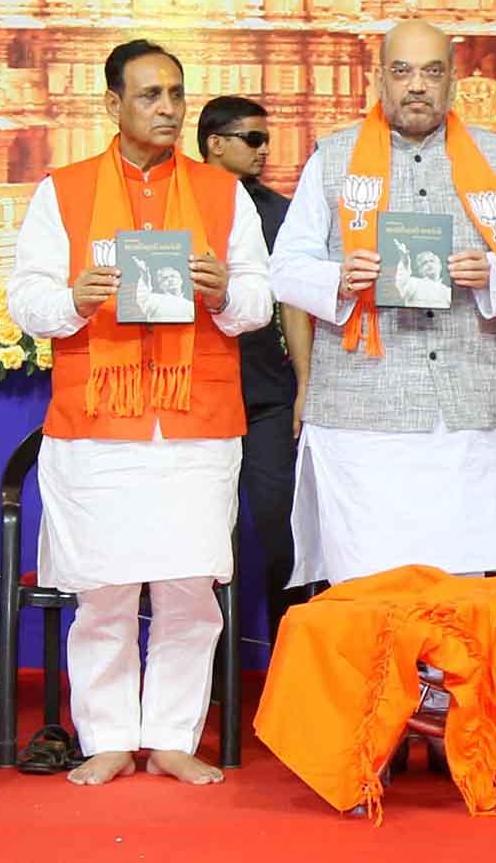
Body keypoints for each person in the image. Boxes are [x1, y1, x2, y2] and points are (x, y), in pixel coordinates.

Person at [7, 41, 273, 786]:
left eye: (175, 94)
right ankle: (109, 737)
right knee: (104, 591)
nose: (165, 108)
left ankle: (171, 737)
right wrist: (76, 299)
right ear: (112, 104)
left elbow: (259, 302)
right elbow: (28, 301)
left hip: (197, 420)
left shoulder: (223, 194)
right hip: (98, 423)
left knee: (191, 590)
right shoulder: (64, 191)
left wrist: (223, 292)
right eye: (149, 94)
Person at [274, 20, 496, 587]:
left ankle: (449, 683)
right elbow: (285, 267)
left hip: (467, 417)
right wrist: (340, 278)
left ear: (453, 81)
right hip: (363, 418)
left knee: (463, 593)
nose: (417, 86)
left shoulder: (493, 157)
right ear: (379, 79)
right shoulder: (333, 157)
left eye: (432, 71)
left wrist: (493, 272)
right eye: (402, 71)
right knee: (368, 589)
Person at [196, 94, 310, 642]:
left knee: (280, 530)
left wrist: (305, 384)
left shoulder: (280, 212)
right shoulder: (183, 202)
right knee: (202, 538)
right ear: (216, 143)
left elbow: (294, 304)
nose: (265, 150)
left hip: (267, 393)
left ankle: (290, 657)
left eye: (267, 139)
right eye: (254, 139)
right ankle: (209, 671)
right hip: (195, 396)